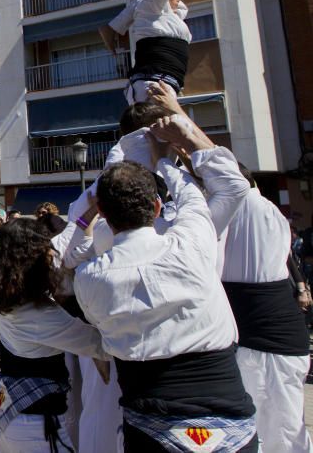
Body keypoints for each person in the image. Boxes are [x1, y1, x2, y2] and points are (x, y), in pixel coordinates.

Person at [74, 116, 258, 451]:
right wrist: (168, 160)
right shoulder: (194, 239)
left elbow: (81, 239)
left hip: (150, 428)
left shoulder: (90, 276)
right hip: (230, 424)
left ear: (104, 213)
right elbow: (226, 187)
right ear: (157, 205)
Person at [0, 217, 110, 452]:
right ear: (32, 261)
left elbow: (65, 239)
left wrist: (87, 215)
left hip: (6, 415)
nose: (52, 255)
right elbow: (101, 345)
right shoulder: (41, 315)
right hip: (35, 428)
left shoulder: (6, 298)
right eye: (46, 251)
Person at [220, 165, 313, 453]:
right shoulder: (256, 211)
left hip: (267, 345)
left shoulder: (251, 210)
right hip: (260, 341)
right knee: (273, 428)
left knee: (279, 432)